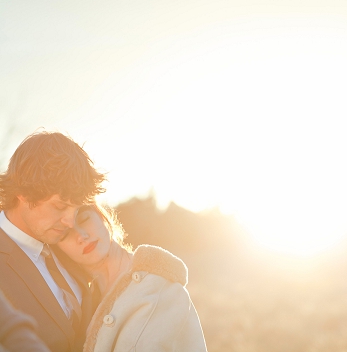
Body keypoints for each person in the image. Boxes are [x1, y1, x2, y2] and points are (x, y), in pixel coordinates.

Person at [0, 131, 106, 352]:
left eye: (76, 208)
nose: (70, 221)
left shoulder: (63, 241)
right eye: (59, 206)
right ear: (23, 193)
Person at [55, 203, 208, 352]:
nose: (81, 236)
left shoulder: (162, 286)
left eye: (84, 219)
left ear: (101, 215)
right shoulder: (78, 305)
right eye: (66, 234)